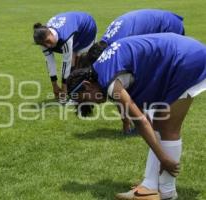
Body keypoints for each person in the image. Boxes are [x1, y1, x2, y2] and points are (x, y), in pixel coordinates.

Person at [67, 33, 206, 200]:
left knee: (168, 126)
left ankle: (168, 193)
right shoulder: (101, 71)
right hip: (181, 53)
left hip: (187, 59)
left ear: (87, 85)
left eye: (86, 99)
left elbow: (140, 122)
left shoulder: (108, 81)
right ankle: (149, 186)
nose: (95, 104)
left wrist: (163, 158)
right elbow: (144, 117)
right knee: (159, 121)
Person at [82, 9, 185, 134]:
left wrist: (130, 118)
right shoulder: (107, 45)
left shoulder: (118, 46)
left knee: (154, 77)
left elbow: (119, 84)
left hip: (168, 26)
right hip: (161, 22)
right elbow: (117, 86)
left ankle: (154, 119)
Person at [33, 11, 97, 100]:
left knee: (80, 63)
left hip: (87, 29)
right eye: (44, 44)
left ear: (51, 33)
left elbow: (66, 63)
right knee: (73, 62)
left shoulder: (65, 37)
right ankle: (73, 90)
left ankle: (82, 91)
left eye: (48, 41)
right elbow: (50, 62)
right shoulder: (42, 41)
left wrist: (64, 88)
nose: (47, 45)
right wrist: (54, 85)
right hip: (75, 29)